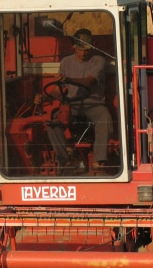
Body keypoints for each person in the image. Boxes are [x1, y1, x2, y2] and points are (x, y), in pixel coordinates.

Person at [39, 29, 113, 172]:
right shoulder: (66, 62)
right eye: (80, 49)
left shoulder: (99, 61)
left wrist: (68, 79)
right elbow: (58, 91)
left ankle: (99, 161)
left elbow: (89, 81)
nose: (83, 53)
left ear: (93, 46)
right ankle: (64, 161)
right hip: (72, 104)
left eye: (86, 49)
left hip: (94, 103)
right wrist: (44, 98)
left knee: (105, 118)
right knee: (53, 123)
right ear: (73, 46)